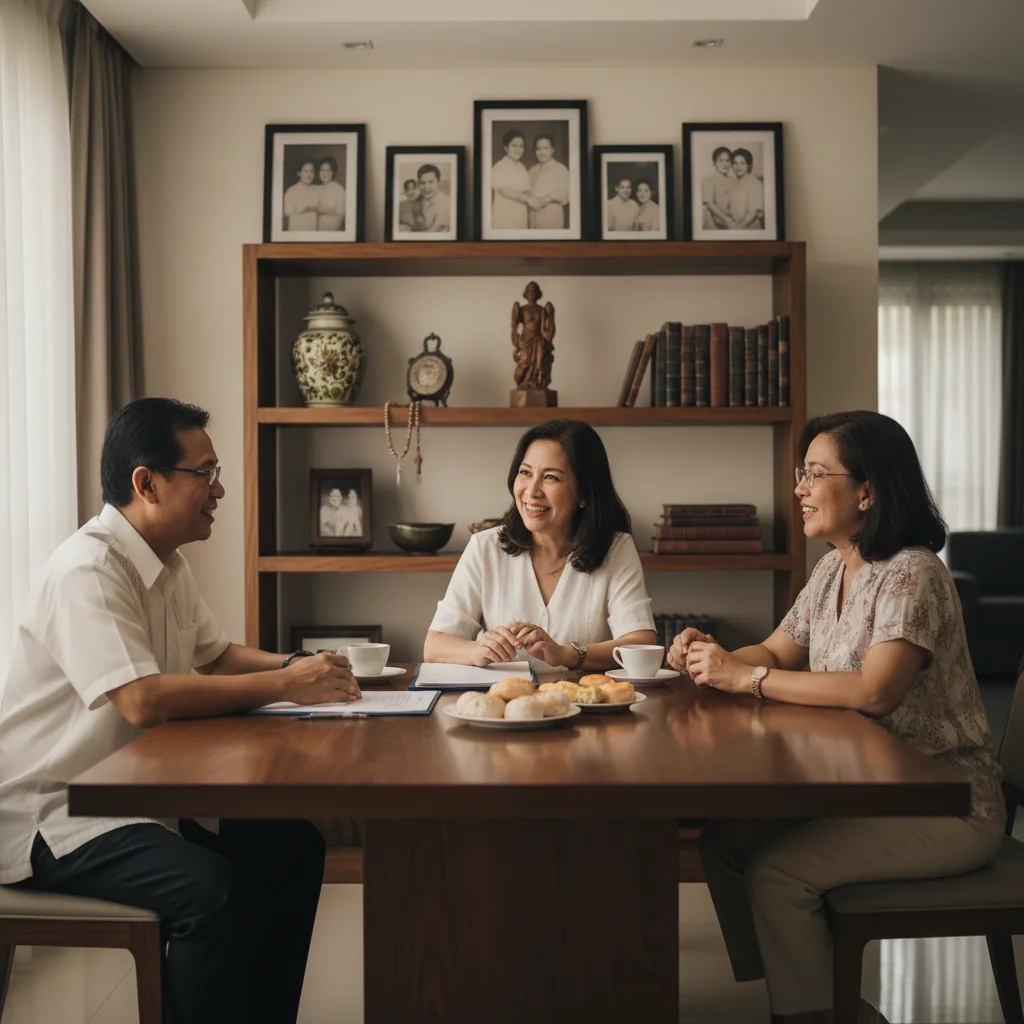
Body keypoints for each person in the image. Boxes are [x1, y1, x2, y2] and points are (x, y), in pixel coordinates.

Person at [0, 398, 362, 1024]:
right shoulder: (88, 568)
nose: (219, 489)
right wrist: (287, 683)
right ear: (147, 482)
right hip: (54, 813)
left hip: (134, 801)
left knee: (295, 848)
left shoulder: (167, 563)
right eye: (205, 472)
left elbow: (217, 657)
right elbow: (142, 699)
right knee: (216, 893)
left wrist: (309, 667)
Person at [668, 410, 1005, 1024]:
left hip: (944, 801)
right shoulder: (832, 569)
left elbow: (876, 691)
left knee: (776, 872)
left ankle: (816, 1009)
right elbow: (773, 650)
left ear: (867, 490)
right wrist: (707, 658)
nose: (798, 488)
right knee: (724, 841)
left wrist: (749, 679)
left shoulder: (913, 573)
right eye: (802, 472)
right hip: (865, 787)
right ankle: (819, 992)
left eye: (815, 473)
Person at [424, 418, 656, 670]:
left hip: (586, 704)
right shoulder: (485, 547)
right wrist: (476, 651)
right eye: (525, 473)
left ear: (585, 493)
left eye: (551, 478)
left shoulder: (616, 549)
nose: (531, 491)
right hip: (502, 705)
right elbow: (434, 647)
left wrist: (567, 654)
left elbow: (640, 645)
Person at [491, 129, 534, 230]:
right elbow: (504, 190)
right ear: (506, 148)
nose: (518, 150)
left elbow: (526, 190)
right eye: (514, 146)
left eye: (521, 146)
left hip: (521, 216)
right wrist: (527, 199)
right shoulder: (500, 166)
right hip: (505, 218)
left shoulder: (521, 167)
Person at [527, 134, 569, 230]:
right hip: (533, 215)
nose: (542, 152)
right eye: (538, 149)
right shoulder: (532, 170)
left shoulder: (560, 169)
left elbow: (564, 193)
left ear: (552, 149)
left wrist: (543, 200)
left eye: (546, 148)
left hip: (551, 215)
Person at [728, 148, 765, 229]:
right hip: (735, 227)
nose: (738, 167)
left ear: (749, 165)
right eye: (735, 163)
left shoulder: (755, 183)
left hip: (750, 229)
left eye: (742, 163)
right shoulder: (732, 184)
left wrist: (737, 229)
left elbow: (753, 212)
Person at [701, 146, 734, 230]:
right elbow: (709, 204)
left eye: (727, 161)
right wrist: (727, 220)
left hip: (734, 220)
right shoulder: (708, 180)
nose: (724, 164)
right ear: (714, 163)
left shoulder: (734, 180)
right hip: (717, 222)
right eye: (720, 161)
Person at [283, 158, 320, 231]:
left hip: (313, 234)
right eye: (305, 171)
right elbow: (287, 214)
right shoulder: (291, 191)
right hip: (297, 234)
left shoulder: (317, 190)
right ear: (298, 173)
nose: (309, 175)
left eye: (311, 171)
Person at [414, 163, 451, 232]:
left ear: (438, 182)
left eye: (431, 182)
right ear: (419, 183)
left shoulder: (445, 202)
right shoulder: (420, 199)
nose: (427, 187)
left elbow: (431, 233)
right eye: (423, 183)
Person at [316, 155, 346, 231]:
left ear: (333, 172)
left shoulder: (339, 189)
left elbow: (340, 213)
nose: (325, 173)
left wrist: (321, 210)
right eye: (322, 170)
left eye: (328, 170)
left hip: (332, 230)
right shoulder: (317, 189)